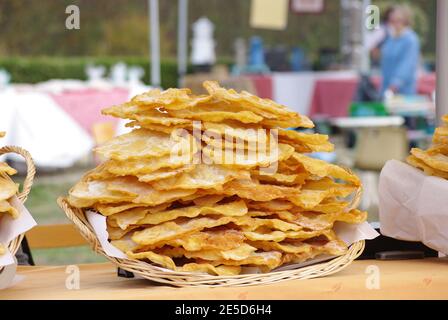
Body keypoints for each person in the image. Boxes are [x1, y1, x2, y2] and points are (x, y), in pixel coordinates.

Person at [380, 5, 420, 97]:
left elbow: (407, 64)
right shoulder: (390, 38)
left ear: (405, 21)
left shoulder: (410, 39)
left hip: (403, 90)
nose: (395, 23)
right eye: (391, 20)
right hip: (386, 87)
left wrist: (394, 84)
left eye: (398, 20)